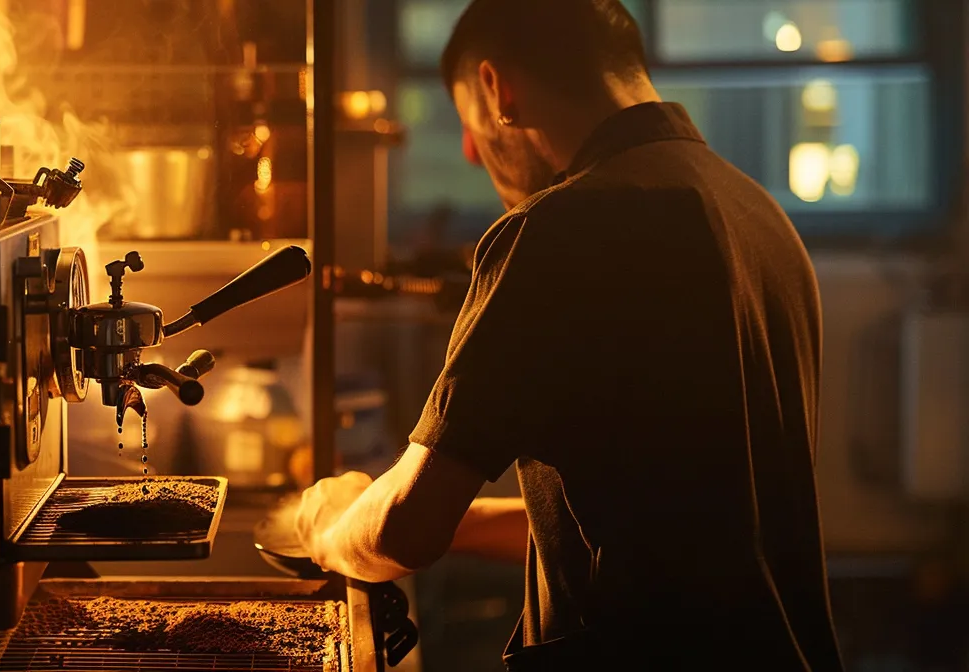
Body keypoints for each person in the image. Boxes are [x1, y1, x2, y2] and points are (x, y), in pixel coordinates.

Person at [293, 0, 844, 669]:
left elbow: (406, 528)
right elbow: (671, 525)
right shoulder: (758, 216)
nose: (470, 151)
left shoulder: (558, 229)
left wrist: (329, 526)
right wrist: (457, 524)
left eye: (467, 121)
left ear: (499, 89)